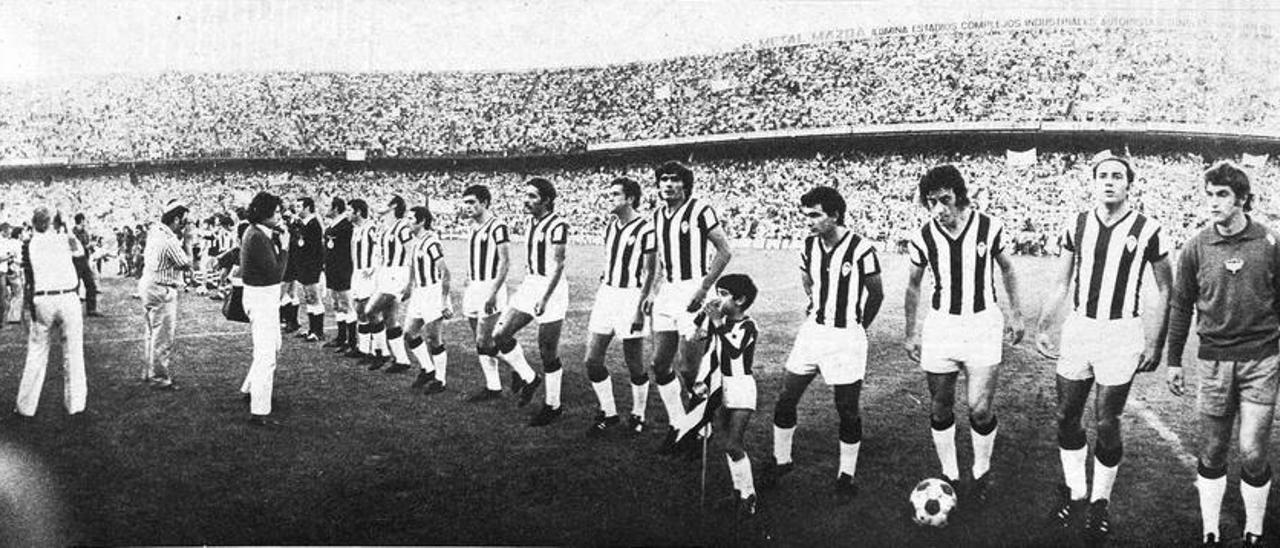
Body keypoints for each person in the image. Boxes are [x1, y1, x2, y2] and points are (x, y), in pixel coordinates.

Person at [1034, 152, 1172, 543]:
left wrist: (1156, 342)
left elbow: (1167, 290)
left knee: (1106, 420)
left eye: (1117, 176)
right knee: (1065, 415)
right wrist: (1045, 324)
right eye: (1102, 176)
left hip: (1121, 333)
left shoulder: (1149, 229)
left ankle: (1099, 503)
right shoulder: (1076, 225)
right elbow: (1062, 282)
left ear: (1130, 183)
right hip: (1080, 329)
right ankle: (1076, 492)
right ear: (1093, 182)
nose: (1109, 181)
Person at [1166, 161, 1280, 547]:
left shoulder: (1270, 243)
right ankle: (1210, 529)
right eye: (1209, 194)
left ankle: (1254, 528)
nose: (1213, 202)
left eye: (1222, 195)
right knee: (1213, 451)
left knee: (1251, 450)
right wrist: (1173, 360)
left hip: (1260, 359)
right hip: (1213, 360)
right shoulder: (1197, 245)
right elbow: (1181, 306)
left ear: (1242, 199)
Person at [903, 164, 1025, 502]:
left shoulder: (989, 226)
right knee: (941, 406)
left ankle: (981, 470)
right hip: (942, 325)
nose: (939, 209)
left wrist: (1017, 313)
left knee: (979, 408)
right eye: (931, 202)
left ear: (960, 196)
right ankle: (950, 474)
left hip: (983, 324)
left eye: (945, 200)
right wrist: (911, 331)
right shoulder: (923, 236)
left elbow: (1008, 269)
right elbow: (913, 287)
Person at [764, 186, 883, 501]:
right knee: (786, 398)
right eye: (806, 216)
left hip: (846, 337)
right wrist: (816, 302)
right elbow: (808, 279)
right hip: (813, 332)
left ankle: (846, 475)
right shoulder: (808, 245)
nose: (810, 222)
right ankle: (781, 460)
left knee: (846, 409)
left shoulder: (861, 249)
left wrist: (858, 326)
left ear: (835, 215)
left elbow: (876, 293)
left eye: (815, 215)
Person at [648, 161, 734, 453]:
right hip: (667, 293)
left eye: (674, 180)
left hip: (693, 289)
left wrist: (704, 288)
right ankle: (679, 424)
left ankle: (702, 427)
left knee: (688, 369)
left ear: (685, 185)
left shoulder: (700, 210)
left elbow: (724, 251)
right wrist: (654, 290)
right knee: (659, 365)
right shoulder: (658, 215)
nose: (668, 185)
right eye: (663, 179)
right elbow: (661, 257)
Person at [491, 178, 571, 426]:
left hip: (552, 289)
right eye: (525, 195)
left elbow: (558, 264)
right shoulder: (530, 222)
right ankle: (528, 377)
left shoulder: (557, 225)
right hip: (530, 284)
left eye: (532, 196)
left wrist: (545, 297)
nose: (526, 200)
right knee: (500, 334)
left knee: (547, 350)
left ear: (546, 200)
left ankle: (553, 405)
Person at [584, 177, 657, 437]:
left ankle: (638, 415)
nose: (609, 199)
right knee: (592, 360)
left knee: (634, 363)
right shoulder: (612, 226)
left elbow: (650, 271)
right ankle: (609, 412)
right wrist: (606, 276)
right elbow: (610, 258)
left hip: (631, 297)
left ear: (630, 199)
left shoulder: (646, 229)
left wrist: (640, 308)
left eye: (615, 195)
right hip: (607, 295)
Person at [458, 184, 540, 403]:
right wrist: (468, 277)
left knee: (487, 340)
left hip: (490, 287)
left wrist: (493, 292)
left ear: (484, 203)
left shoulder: (498, 226)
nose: (467, 207)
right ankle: (493, 386)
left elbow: (505, 261)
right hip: (474, 287)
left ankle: (529, 376)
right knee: (480, 342)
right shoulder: (472, 227)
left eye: (471, 202)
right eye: (465, 203)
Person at [694, 273, 761, 519]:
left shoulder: (748, 326)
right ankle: (738, 491)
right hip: (722, 386)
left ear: (740, 300)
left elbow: (734, 352)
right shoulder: (718, 322)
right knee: (727, 444)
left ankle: (749, 495)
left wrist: (717, 324)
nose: (718, 299)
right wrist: (702, 381)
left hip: (742, 387)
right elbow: (711, 351)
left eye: (724, 295)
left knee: (734, 443)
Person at [16, 206, 87, 417]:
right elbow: (80, 252)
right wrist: (65, 224)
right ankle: (75, 405)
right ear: (52, 223)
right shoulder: (62, 239)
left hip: (43, 299)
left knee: (36, 352)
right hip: (67, 298)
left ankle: (26, 407)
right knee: (73, 351)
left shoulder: (32, 243)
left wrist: (59, 225)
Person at [240, 191, 289, 427]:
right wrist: (286, 249)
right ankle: (259, 411)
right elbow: (275, 273)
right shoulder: (258, 236)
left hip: (261, 296)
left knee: (272, 347)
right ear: (265, 214)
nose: (279, 216)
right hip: (262, 297)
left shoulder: (256, 232)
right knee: (266, 355)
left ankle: (250, 387)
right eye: (276, 212)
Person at [140, 199, 193, 391]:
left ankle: (149, 372)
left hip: (149, 284)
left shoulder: (156, 230)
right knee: (163, 336)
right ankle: (160, 378)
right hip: (162, 288)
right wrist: (188, 240)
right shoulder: (169, 240)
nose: (186, 226)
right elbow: (187, 263)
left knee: (151, 332)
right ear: (177, 220)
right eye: (185, 222)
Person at [403, 205, 451, 395]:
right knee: (410, 333)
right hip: (419, 293)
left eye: (410, 218)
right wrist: (409, 286)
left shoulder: (431, 242)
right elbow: (414, 267)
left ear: (421, 221)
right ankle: (428, 369)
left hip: (432, 292)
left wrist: (444, 301)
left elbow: (445, 273)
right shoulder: (415, 242)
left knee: (434, 339)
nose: (407, 222)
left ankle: (441, 380)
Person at [366, 195, 416, 373]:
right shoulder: (385, 227)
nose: (378, 201)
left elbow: (412, 253)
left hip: (398, 274)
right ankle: (401, 360)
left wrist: (410, 282)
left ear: (393, 205)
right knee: (390, 318)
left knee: (370, 311)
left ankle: (381, 353)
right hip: (386, 274)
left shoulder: (402, 227)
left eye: (383, 200)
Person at [345, 199, 387, 363]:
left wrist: (374, 267)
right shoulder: (356, 229)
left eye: (350, 210)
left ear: (358, 212)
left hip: (369, 274)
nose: (347, 213)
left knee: (372, 312)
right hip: (357, 273)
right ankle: (364, 349)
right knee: (359, 310)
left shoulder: (371, 228)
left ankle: (381, 352)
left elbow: (381, 248)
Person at [322, 198, 356, 351]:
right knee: (336, 304)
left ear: (336, 208)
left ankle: (352, 341)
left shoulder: (347, 226)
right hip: (332, 269)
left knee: (347, 304)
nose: (326, 208)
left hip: (343, 270)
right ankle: (341, 337)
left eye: (328, 206)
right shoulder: (332, 225)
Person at [291, 198, 326, 342]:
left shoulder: (314, 224)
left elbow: (313, 249)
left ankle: (318, 331)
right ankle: (312, 329)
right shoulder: (303, 224)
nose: (296, 208)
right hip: (305, 266)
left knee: (314, 297)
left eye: (299, 206)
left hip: (311, 267)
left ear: (307, 208)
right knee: (308, 298)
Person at [71, 213, 101, 317]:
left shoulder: (85, 233)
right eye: (84, 221)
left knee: (91, 284)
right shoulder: (72, 233)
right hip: (75, 261)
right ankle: (72, 310)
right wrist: (88, 246)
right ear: (81, 221)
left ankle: (91, 309)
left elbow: (88, 246)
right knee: (75, 286)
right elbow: (75, 248)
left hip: (84, 260)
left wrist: (92, 247)